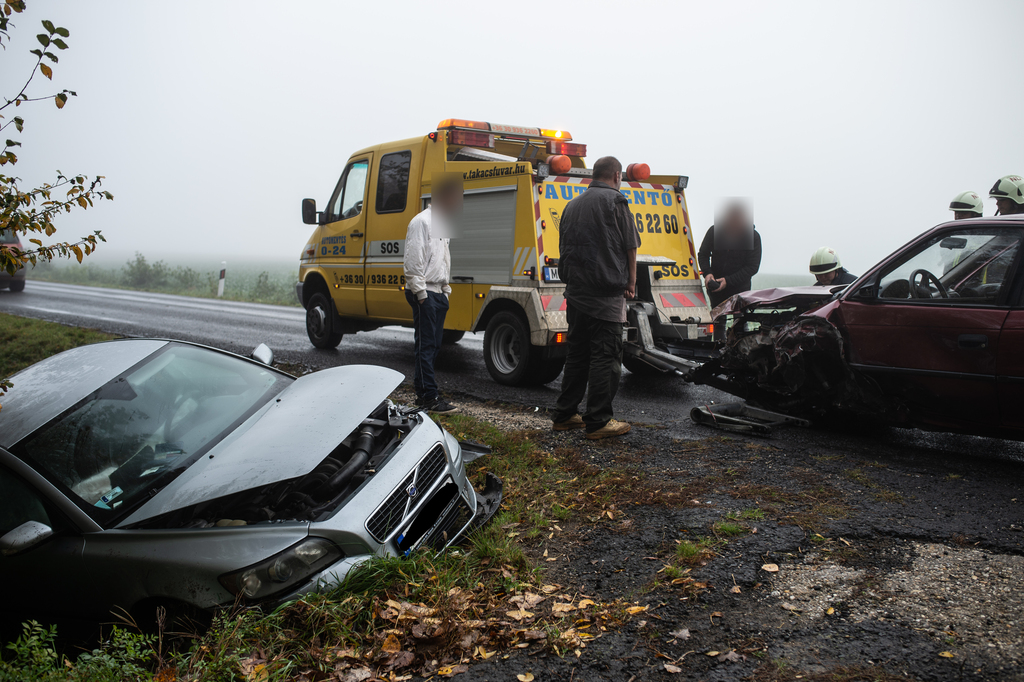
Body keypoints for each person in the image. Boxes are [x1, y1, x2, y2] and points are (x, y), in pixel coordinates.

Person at [551, 156, 640, 440]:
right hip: (605, 296)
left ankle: (565, 415)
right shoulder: (616, 202)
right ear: (616, 175)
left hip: (576, 294)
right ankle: (599, 421)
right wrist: (631, 282)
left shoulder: (572, 205)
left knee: (577, 354)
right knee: (606, 356)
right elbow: (630, 246)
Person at [403, 176, 462, 413]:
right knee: (426, 347)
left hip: (437, 292)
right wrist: (420, 293)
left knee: (433, 346)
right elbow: (413, 260)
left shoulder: (443, 223)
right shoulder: (421, 222)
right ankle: (430, 398)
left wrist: (445, 291)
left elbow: (443, 259)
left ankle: (422, 395)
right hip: (424, 291)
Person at [697, 201, 762, 308]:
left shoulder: (753, 237)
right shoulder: (715, 231)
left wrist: (728, 281)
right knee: (717, 322)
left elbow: (752, 267)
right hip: (716, 289)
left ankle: (740, 325)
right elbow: (703, 254)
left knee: (740, 323)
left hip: (740, 290)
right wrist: (708, 273)